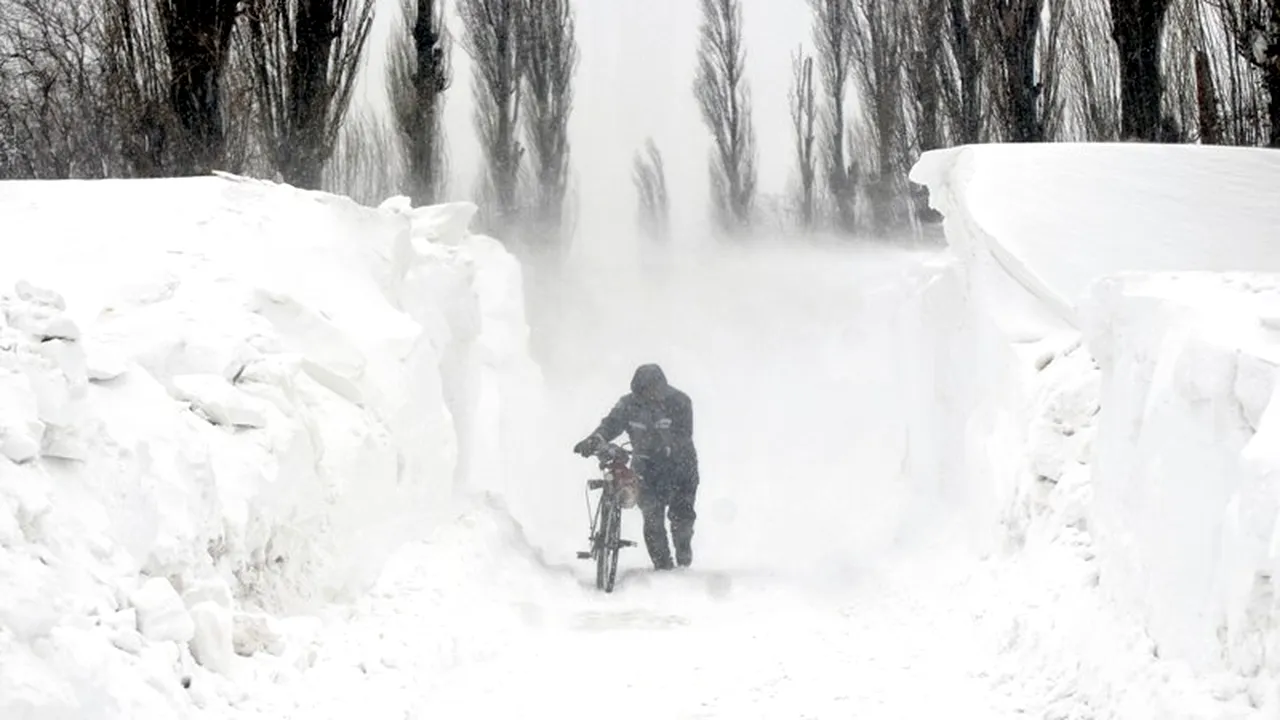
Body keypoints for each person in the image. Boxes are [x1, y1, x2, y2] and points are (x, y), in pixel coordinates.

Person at [574, 364, 699, 570]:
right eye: (643, 391)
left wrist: (663, 446)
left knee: (681, 518)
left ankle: (683, 555)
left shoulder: (680, 402)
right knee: (652, 519)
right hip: (646, 469)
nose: (648, 396)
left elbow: (683, 436)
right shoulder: (629, 405)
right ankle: (663, 568)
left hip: (681, 469)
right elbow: (611, 424)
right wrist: (595, 440)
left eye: (652, 390)